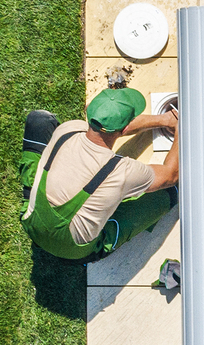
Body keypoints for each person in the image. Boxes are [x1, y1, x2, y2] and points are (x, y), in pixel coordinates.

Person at [23, 88, 179, 261]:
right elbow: (171, 175)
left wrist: (164, 119)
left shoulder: (68, 130)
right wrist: (180, 129)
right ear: (125, 127)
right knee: (171, 193)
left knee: (40, 121)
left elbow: (110, 132)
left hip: (32, 223)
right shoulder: (124, 171)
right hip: (75, 252)